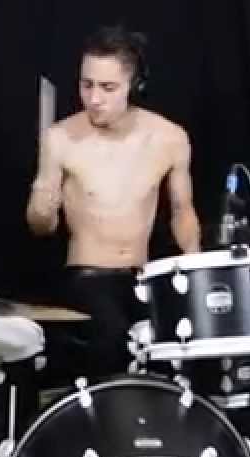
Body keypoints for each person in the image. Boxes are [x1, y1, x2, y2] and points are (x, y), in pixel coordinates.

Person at [26, 25, 200, 381]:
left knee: (179, 343)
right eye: (86, 85)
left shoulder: (169, 138)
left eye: (107, 88)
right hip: (87, 276)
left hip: (143, 276)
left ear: (134, 86)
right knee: (114, 340)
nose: (94, 99)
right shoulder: (61, 138)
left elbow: (182, 212)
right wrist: (42, 210)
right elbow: (41, 227)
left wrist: (196, 272)